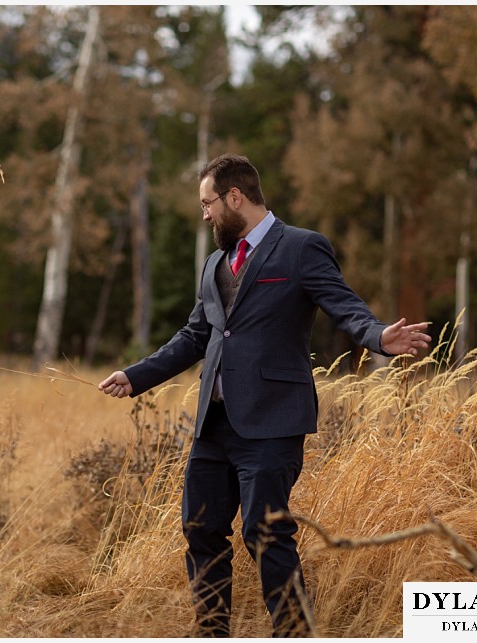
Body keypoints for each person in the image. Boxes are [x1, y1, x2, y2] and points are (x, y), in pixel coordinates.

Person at [99, 154, 430, 637]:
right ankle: (212, 632)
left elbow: (342, 304)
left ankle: (294, 632)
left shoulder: (300, 248)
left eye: (208, 203)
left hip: (272, 424)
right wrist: (136, 376)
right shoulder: (215, 262)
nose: (205, 214)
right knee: (201, 529)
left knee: (265, 532)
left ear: (235, 197)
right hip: (213, 427)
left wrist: (378, 336)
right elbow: (196, 335)